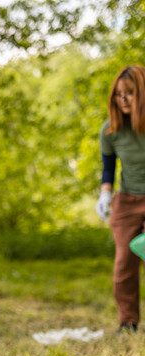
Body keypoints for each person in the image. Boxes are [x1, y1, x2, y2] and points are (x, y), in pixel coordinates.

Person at [95, 65, 145, 332]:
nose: (123, 100)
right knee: (124, 261)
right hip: (126, 200)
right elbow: (108, 167)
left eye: (130, 93)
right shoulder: (110, 131)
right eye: (118, 94)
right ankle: (128, 321)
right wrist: (105, 194)